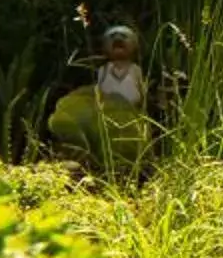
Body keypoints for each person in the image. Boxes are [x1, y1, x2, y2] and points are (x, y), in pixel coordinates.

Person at [48, 25, 152, 172]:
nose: (118, 40)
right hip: (105, 113)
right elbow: (99, 89)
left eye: (124, 37)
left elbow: (141, 91)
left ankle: (126, 167)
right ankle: (97, 165)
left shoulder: (135, 69)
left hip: (130, 113)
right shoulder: (104, 70)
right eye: (113, 37)